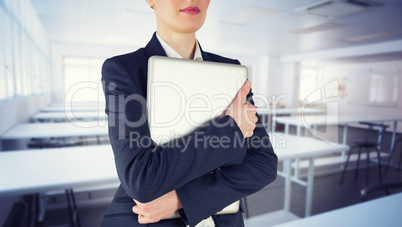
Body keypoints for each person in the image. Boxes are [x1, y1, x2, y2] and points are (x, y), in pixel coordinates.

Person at [100, 0, 277, 226]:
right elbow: (141, 178)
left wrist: (180, 199)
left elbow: (263, 164)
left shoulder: (231, 70)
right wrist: (229, 129)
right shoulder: (123, 70)